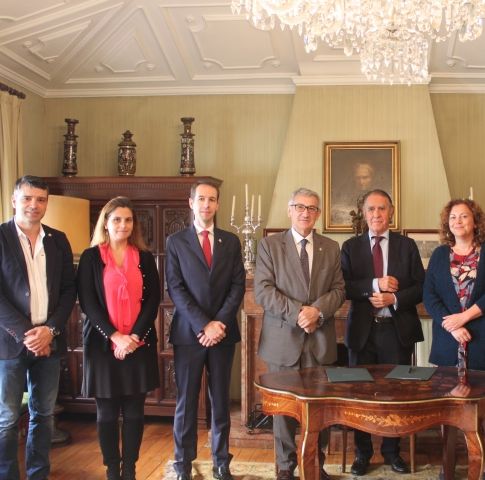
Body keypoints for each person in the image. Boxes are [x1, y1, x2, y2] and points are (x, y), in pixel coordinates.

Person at [0, 175, 77, 480]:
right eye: (27, 198)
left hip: (48, 340)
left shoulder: (58, 239)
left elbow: (67, 291)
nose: (34, 205)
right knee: (7, 419)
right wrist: (27, 334)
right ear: (14, 200)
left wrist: (50, 331)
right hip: (8, 344)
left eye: (41, 199)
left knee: (43, 415)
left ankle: (38, 474)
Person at [254, 187, 346, 480]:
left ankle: (316, 465)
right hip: (283, 339)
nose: (305, 212)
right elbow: (263, 291)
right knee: (283, 409)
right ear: (289, 210)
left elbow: (339, 290)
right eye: (300, 207)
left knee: (318, 408)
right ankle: (285, 467)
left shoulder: (331, 247)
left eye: (312, 208)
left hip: (320, 339)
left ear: (318, 214)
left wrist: (316, 311)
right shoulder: (269, 245)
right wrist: (298, 313)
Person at [422, 198, 485, 480]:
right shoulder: (438, 255)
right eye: (453, 218)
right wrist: (453, 326)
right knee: (448, 408)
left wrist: (465, 317)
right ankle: (447, 466)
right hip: (448, 343)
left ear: (475, 221)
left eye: (463, 217)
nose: (457, 222)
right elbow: (430, 296)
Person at [340, 189, 424, 475]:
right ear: (364, 214)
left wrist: (395, 299)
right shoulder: (350, 247)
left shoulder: (407, 245)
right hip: (363, 331)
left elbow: (420, 287)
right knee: (359, 392)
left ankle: (391, 452)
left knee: (396, 392)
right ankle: (362, 452)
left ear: (391, 212)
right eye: (371, 209)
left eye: (382, 209)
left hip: (396, 330)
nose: (377, 214)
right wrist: (375, 285)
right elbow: (345, 287)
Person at [166, 180, 246, 480]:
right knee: (186, 402)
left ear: (218, 204)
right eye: (201, 199)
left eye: (212, 200)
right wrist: (204, 324)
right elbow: (175, 287)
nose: (206, 205)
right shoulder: (176, 242)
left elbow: (238, 286)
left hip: (223, 335)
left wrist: (220, 324)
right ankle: (183, 465)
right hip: (190, 334)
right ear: (191, 203)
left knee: (220, 400)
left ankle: (221, 462)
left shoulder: (231, 241)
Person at [77, 197, 161, 480]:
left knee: (136, 412)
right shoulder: (90, 257)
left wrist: (133, 337)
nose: (123, 225)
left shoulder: (145, 257)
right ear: (105, 222)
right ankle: (113, 469)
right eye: (116, 219)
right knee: (107, 414)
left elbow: (153, 300)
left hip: (139, 344)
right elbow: (88, 302)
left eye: (128, 220)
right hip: (102, 346)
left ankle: (130, 470)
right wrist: (116, 337)